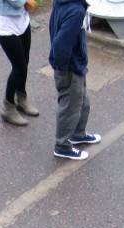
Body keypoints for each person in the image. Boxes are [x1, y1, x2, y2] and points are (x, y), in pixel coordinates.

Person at [48, 0, 101, 161]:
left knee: (82, 101)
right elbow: (60, 45)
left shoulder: (62, 3)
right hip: (70, 68)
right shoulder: (76, 11)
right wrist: (63, 68)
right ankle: (62, 146)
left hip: (75, 64)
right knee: (70, 107)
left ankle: (78, 134)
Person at [0, 0, 39, 126]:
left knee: (25, 61)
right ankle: (8, 108)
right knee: (19, 67)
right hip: (6, 24)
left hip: (22, 20)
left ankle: (21, 99)